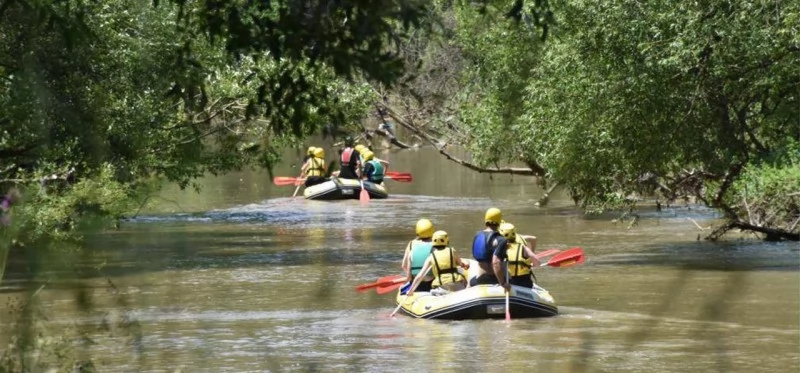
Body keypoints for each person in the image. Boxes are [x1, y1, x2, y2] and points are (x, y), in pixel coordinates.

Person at [408, 230, 469, 295]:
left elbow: (420, 275)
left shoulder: (431, 257)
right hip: (457, 285)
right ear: (446, 240)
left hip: (442, 287)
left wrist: (411, 290)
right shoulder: (452, 251)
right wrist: (466, 264)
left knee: (432, 292)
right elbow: (461, 264)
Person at [468, 207, 507, 287]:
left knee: (469, 282)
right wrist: (502, 283)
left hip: (479, 279)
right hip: (494, 279)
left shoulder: (477, 235)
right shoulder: (501, 239)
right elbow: (496, 262)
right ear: (499, 221)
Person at [497, 222, 541, 288]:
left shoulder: (499, 249)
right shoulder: (523, 247)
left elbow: (495, 265)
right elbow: (537, 263)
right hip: (525, 284)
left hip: (508, 283)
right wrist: (530, 264)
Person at [400, 218, 435, 293]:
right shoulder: (436, 244)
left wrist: (410, 277)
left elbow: (404, 265)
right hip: (432, 283)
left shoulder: (411, 244)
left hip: (416, 284)